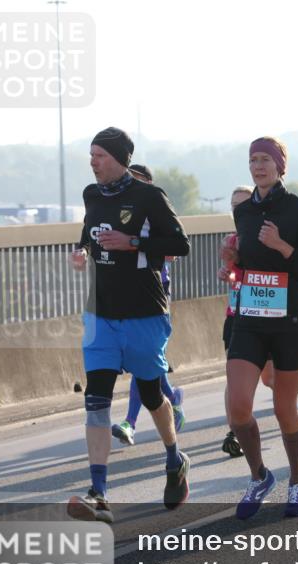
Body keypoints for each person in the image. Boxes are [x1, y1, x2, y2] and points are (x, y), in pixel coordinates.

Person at [68, 127, 191, 523]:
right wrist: (82, 251)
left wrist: (134, 243)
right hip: (100, 313)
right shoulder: (91, 195)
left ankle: (174, 457)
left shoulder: (149, 196)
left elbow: (180, 244)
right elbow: (90, 232)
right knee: (97, 398)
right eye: (91, 155)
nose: (93, 162)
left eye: (100, 156)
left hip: (144, 313)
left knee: (153, 395)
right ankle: (99, 492)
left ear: (119, 158)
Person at [226, 136, 298, 519]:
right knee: (237, 408)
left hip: (292, 319)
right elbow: (244, 264)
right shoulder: (244, 212)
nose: (258, 166)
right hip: (250, 317)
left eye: (265, 159)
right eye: (252, 160)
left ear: (280, 166)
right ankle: (259, 475)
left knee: (285, 408)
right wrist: (231, 264)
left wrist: (283, 247)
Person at [110, 164, 187, 446]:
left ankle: (130, 422)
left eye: (138, 180)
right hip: (125, 299)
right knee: (147, 365)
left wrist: (141, 244)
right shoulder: (118, 213)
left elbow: (176, 248)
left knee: (143, 363)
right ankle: (172, 397)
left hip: (156, 298)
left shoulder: (157, 212)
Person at [218, 186, 275, 457]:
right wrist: (226, 272)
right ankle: (235, 431)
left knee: (271, 378)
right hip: (236, 315)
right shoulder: (230, 241)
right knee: (234, 375)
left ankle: (286, 409)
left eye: (242, 204)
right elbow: (231, 275)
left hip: (264, 315)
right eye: (233, 205)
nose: (237, 209)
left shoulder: (265, 236)